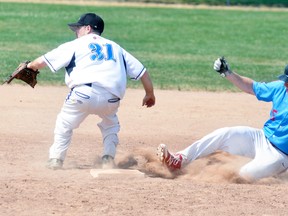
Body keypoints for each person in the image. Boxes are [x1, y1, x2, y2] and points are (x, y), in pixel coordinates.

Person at [27, 13, 156, 170]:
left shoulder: (76, 44)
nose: (76, 32)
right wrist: (149, 94)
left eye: (78, 28)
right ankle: (108, 159)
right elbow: (142, 71)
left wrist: (30, 66)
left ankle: (56, 159)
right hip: (111, 99)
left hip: (82, 95)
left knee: (65, 123)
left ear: (87, 29)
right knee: (111, 126)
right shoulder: (116, 47)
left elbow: (40, 62)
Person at [157, 57, 288, 182]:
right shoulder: (280, 87)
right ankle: (179, 160)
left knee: (243, 176)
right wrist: (227, 73)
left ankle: (269, 169)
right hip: (260, 138)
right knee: (225, 133)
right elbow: (251, 87)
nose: (285, 84)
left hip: (279, 155)